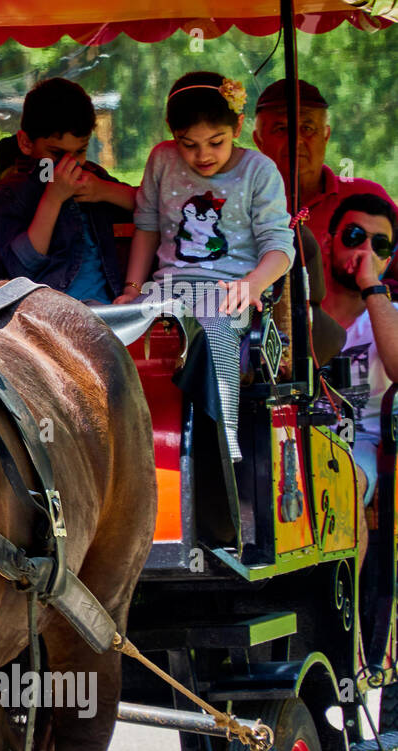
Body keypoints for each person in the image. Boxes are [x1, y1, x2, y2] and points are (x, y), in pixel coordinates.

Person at [115, 71, 295, 464]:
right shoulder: (161, 159)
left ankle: (222, 432)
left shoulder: (259, 171)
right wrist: (132, 288)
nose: (203, 156)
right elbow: (146, 227)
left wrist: (252, 284)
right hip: (166, 291)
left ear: (238, 127)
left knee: (213, 323)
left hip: (231, 291)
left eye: (216, 142)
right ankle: (126, 446)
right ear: (171, 133)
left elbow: (281, 248)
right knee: (107, 326)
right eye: (189, 144)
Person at [0, 78, 136, 304]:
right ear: (26, 143)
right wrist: (53, 199)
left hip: (106, 307)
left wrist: (104, 190)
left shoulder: (92, 175)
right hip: (46, 311)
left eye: (80, 151)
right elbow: (20, 268)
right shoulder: (10, 192)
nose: (70, 163)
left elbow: (146, 206)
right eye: (56, 154)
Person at [252, 79, 398, 300]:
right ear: (258, 140)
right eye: (281, 129)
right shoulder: (238, 202)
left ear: (326, 135)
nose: (296, 140)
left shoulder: (366, 197)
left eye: (308, 128)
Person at [320, 194, 398, 505]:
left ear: (387, 260)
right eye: (354, 237)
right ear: (329, 243)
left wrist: (371, 285)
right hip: (292, 439)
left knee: (342, 486)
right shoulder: (295, 313)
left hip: (360, 443)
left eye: (378, 245)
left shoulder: (391, 314)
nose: (365, 251)